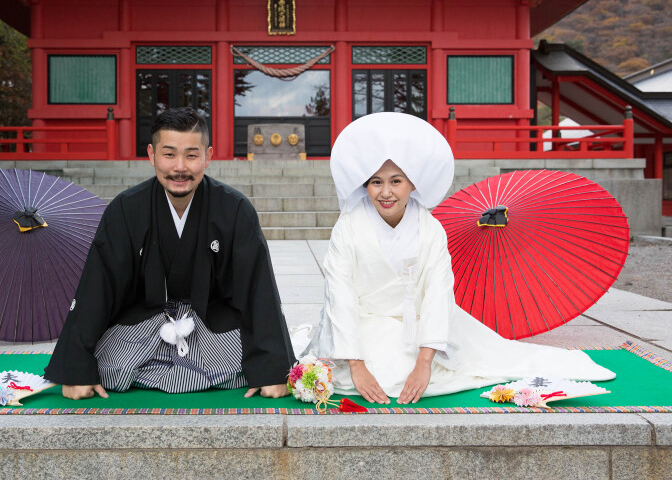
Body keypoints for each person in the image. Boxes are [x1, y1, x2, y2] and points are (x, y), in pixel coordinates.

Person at [305, 112, 615, 405]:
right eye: (376, 182)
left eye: (396, 181)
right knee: (367, 375)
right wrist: (356, 364)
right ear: (365, 185)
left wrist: (425, 361)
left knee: (412, 371)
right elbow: (340, 294)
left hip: (420, 325)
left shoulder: (430, 229)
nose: (386, 192)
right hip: (362, 324)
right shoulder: (348, 227)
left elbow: (439, 294)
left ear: (412, 183)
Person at [45, 107, 295, 400]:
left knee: (240, 358)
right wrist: (76, 367)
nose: (180, 167)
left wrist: (271, 369)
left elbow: (259, 290)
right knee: (107, 360)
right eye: (169, 154)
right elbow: (97, 287)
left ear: (208, 156)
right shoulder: (126, 209)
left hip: (212, 323)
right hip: (145, 321)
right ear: (151, 155)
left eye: (191, 155)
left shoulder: (235, 210)